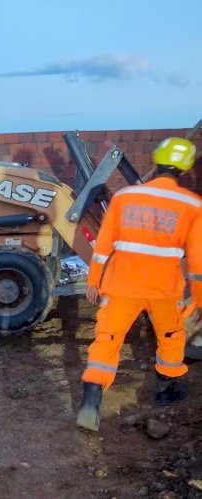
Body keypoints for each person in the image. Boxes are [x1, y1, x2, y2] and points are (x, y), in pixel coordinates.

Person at [76, 137, 202, 432]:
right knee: (171, 337)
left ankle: (91, 402)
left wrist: (94, 280)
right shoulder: (193, 205)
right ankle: (166, 391)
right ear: (184, 169)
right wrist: (197, 299)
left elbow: (103, 246)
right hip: (164, 290)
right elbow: (197, 264)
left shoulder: (124, 197)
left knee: (107, 340)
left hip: (121, 285)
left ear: (156, 161)